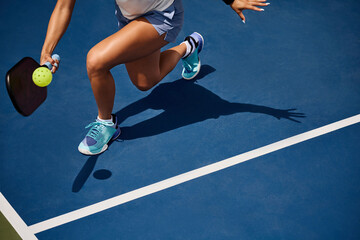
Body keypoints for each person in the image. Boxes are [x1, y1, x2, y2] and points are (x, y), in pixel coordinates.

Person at [40, 0, 269, 155]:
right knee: (145, 82)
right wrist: (47, 51)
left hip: (161, 16)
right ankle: (189, 47)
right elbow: (63, 6)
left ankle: (106, 124)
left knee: (96, 61)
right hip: (131, 18)